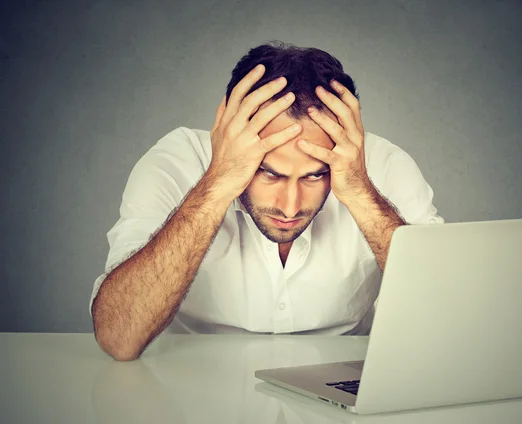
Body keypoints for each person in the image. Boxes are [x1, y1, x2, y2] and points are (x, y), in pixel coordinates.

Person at [90, 41, 444, 361]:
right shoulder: (176, 161)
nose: (290, 207)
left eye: (314, 175)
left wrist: (360, 192)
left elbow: (446, 319)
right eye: (269, 173)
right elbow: (119, 339)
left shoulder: (384, 166)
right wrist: (218, 182)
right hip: (192, 383)